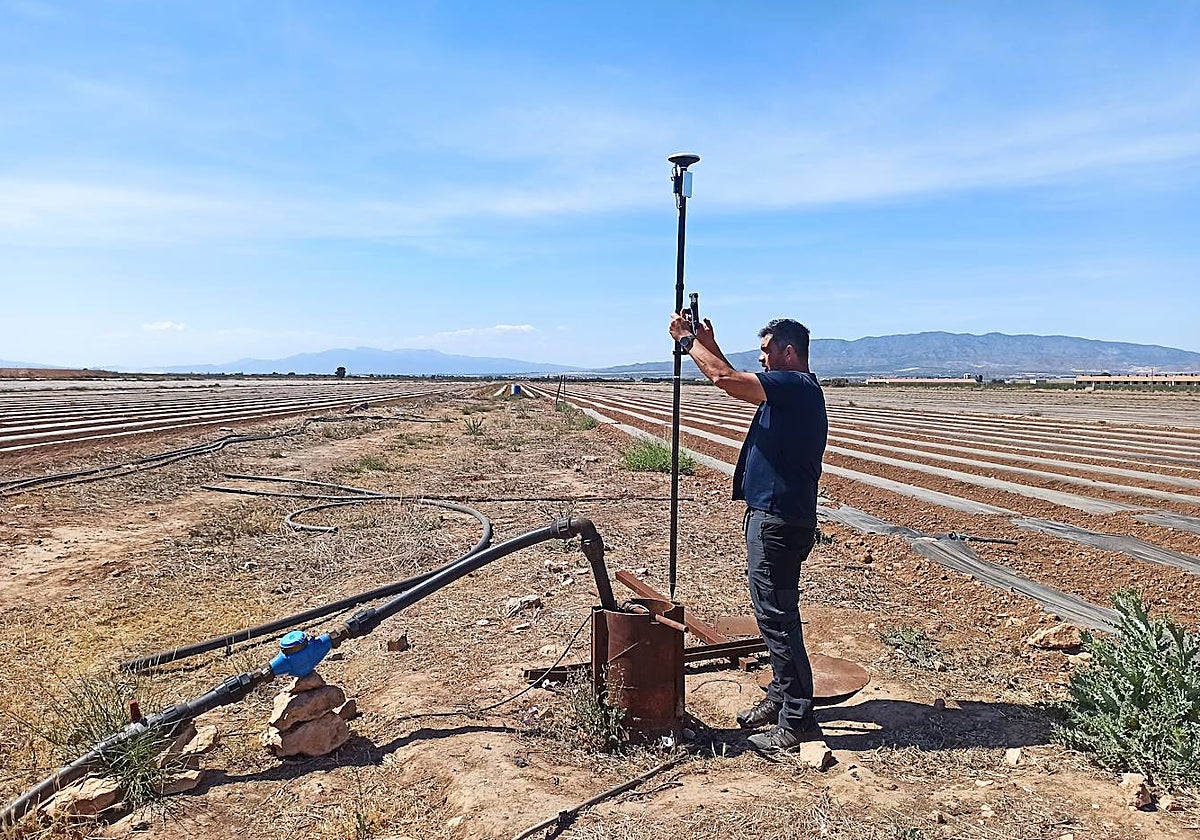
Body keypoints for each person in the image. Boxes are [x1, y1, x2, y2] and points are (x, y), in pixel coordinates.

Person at [668, 311, 828, 752]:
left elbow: (724, 381)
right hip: (775, 515)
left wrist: (686, 342)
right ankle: (781, 697)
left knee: (777, 619)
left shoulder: (796, 386)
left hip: (778, 519)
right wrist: (707, 342)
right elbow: (733, 377)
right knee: (772, 613)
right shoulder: (790, 393)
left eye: (766, 350)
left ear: (788, 352)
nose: (761, 359)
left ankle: (798, 719)